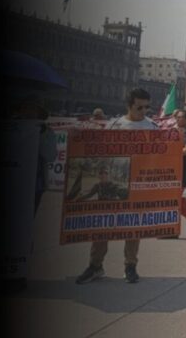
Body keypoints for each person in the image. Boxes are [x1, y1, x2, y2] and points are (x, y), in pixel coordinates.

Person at [76, 88, 158, 285]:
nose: (143, 111)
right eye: (139, 107)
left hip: (139, 184)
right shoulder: (115, 125)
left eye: (147, 107)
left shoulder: (153, 128)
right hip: (115, 180)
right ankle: (95, 265)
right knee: (103, 226)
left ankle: (130, 265)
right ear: (129, 105)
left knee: (133, 228)